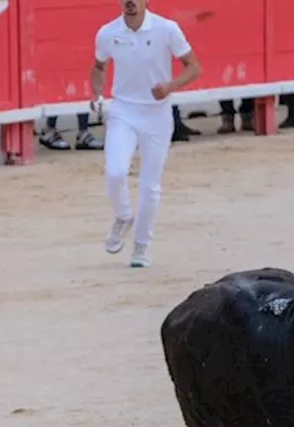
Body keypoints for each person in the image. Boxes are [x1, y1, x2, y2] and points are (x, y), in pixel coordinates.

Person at [89, 0, 200, 268]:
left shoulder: (166, 29)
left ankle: (142, 244)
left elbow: (194, 66)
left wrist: (170, 86)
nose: (130, 2)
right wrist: (97, 93)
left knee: (150, 185)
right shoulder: (108, 33)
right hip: (123, 110)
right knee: (115, 171)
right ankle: (124, 215)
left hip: (157, 115)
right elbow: (98, 66)